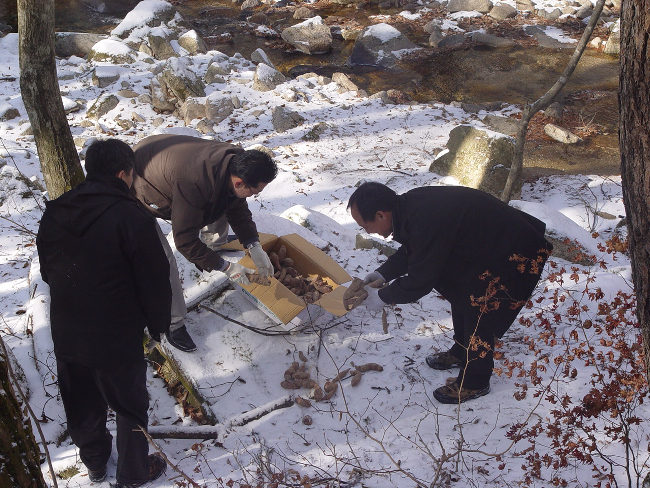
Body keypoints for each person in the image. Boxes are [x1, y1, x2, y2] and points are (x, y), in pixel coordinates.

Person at [36, 139, 170, 487]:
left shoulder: (56, 211)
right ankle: (133, 473)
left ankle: (95, 463)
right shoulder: (132, 216)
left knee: (81, 402)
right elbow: (154, 279)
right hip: (115, 333)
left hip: (67, 328)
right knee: (129, 405)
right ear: (124, 174)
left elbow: (48, 272)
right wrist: (159, 325)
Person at [348, 182, 553, 404]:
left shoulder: (424, 218)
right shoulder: (408, 209)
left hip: (513, 249)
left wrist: (382, 298)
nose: (367, 232)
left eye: (365, 226)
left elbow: (420, 281)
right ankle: (461, 350)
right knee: (460, 287)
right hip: (486, 245)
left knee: (479, 303)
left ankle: (475, 382)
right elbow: (414, 249)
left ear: (381, 215)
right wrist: (382, 273)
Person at [132, 134, 278, 352]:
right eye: (254, 192)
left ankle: (212, 246)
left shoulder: (236, 161)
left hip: (167, 161)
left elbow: (236, 206)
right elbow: (184, 241)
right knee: (162, 261)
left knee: (225, 199)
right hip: (141, 182)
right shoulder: (194, 183)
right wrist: (226, 268)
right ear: (239, 182)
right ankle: (172, 323)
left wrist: (253, 244)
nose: (253, 196)